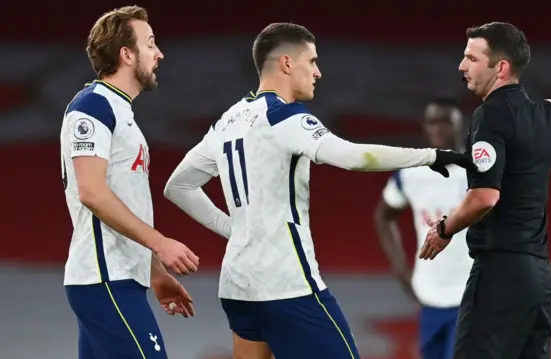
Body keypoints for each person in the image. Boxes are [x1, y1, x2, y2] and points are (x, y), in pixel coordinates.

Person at [163, 22, 476, 359]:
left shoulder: (228, 119)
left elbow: (178, 186)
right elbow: (354, 157)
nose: (318, 72)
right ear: (286, 63)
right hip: (286, 284)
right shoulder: (285, 117)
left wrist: (234, 229)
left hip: (236, 286)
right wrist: (430, 156)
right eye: (311, 61)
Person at [419, 22, 551, 359]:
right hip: (540, 279)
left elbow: (485, 197)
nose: (462, 66)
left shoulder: (489, 115)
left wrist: (445, 229)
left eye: (471, 58)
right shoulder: (545, 114)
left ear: (501, 67)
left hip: (499, 275)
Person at [60, 6, 199, 359]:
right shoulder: (92, 108)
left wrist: (153, 271)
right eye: (150, 43)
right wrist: (160, 243)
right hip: (105, 279)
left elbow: (123, 200)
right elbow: (91, 192)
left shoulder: (121, 113)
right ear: (126, 54)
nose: (159, 53)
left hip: (118, 278)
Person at [373, 96, 473, 359]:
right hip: (429, 293)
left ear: (460, 125)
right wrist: (401, 269)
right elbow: (384, 215)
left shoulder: (478, 172)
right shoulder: (411, 173)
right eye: (432, 121)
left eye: (446, 121)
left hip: (472, 294)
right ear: (424, 127)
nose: (439, 128)